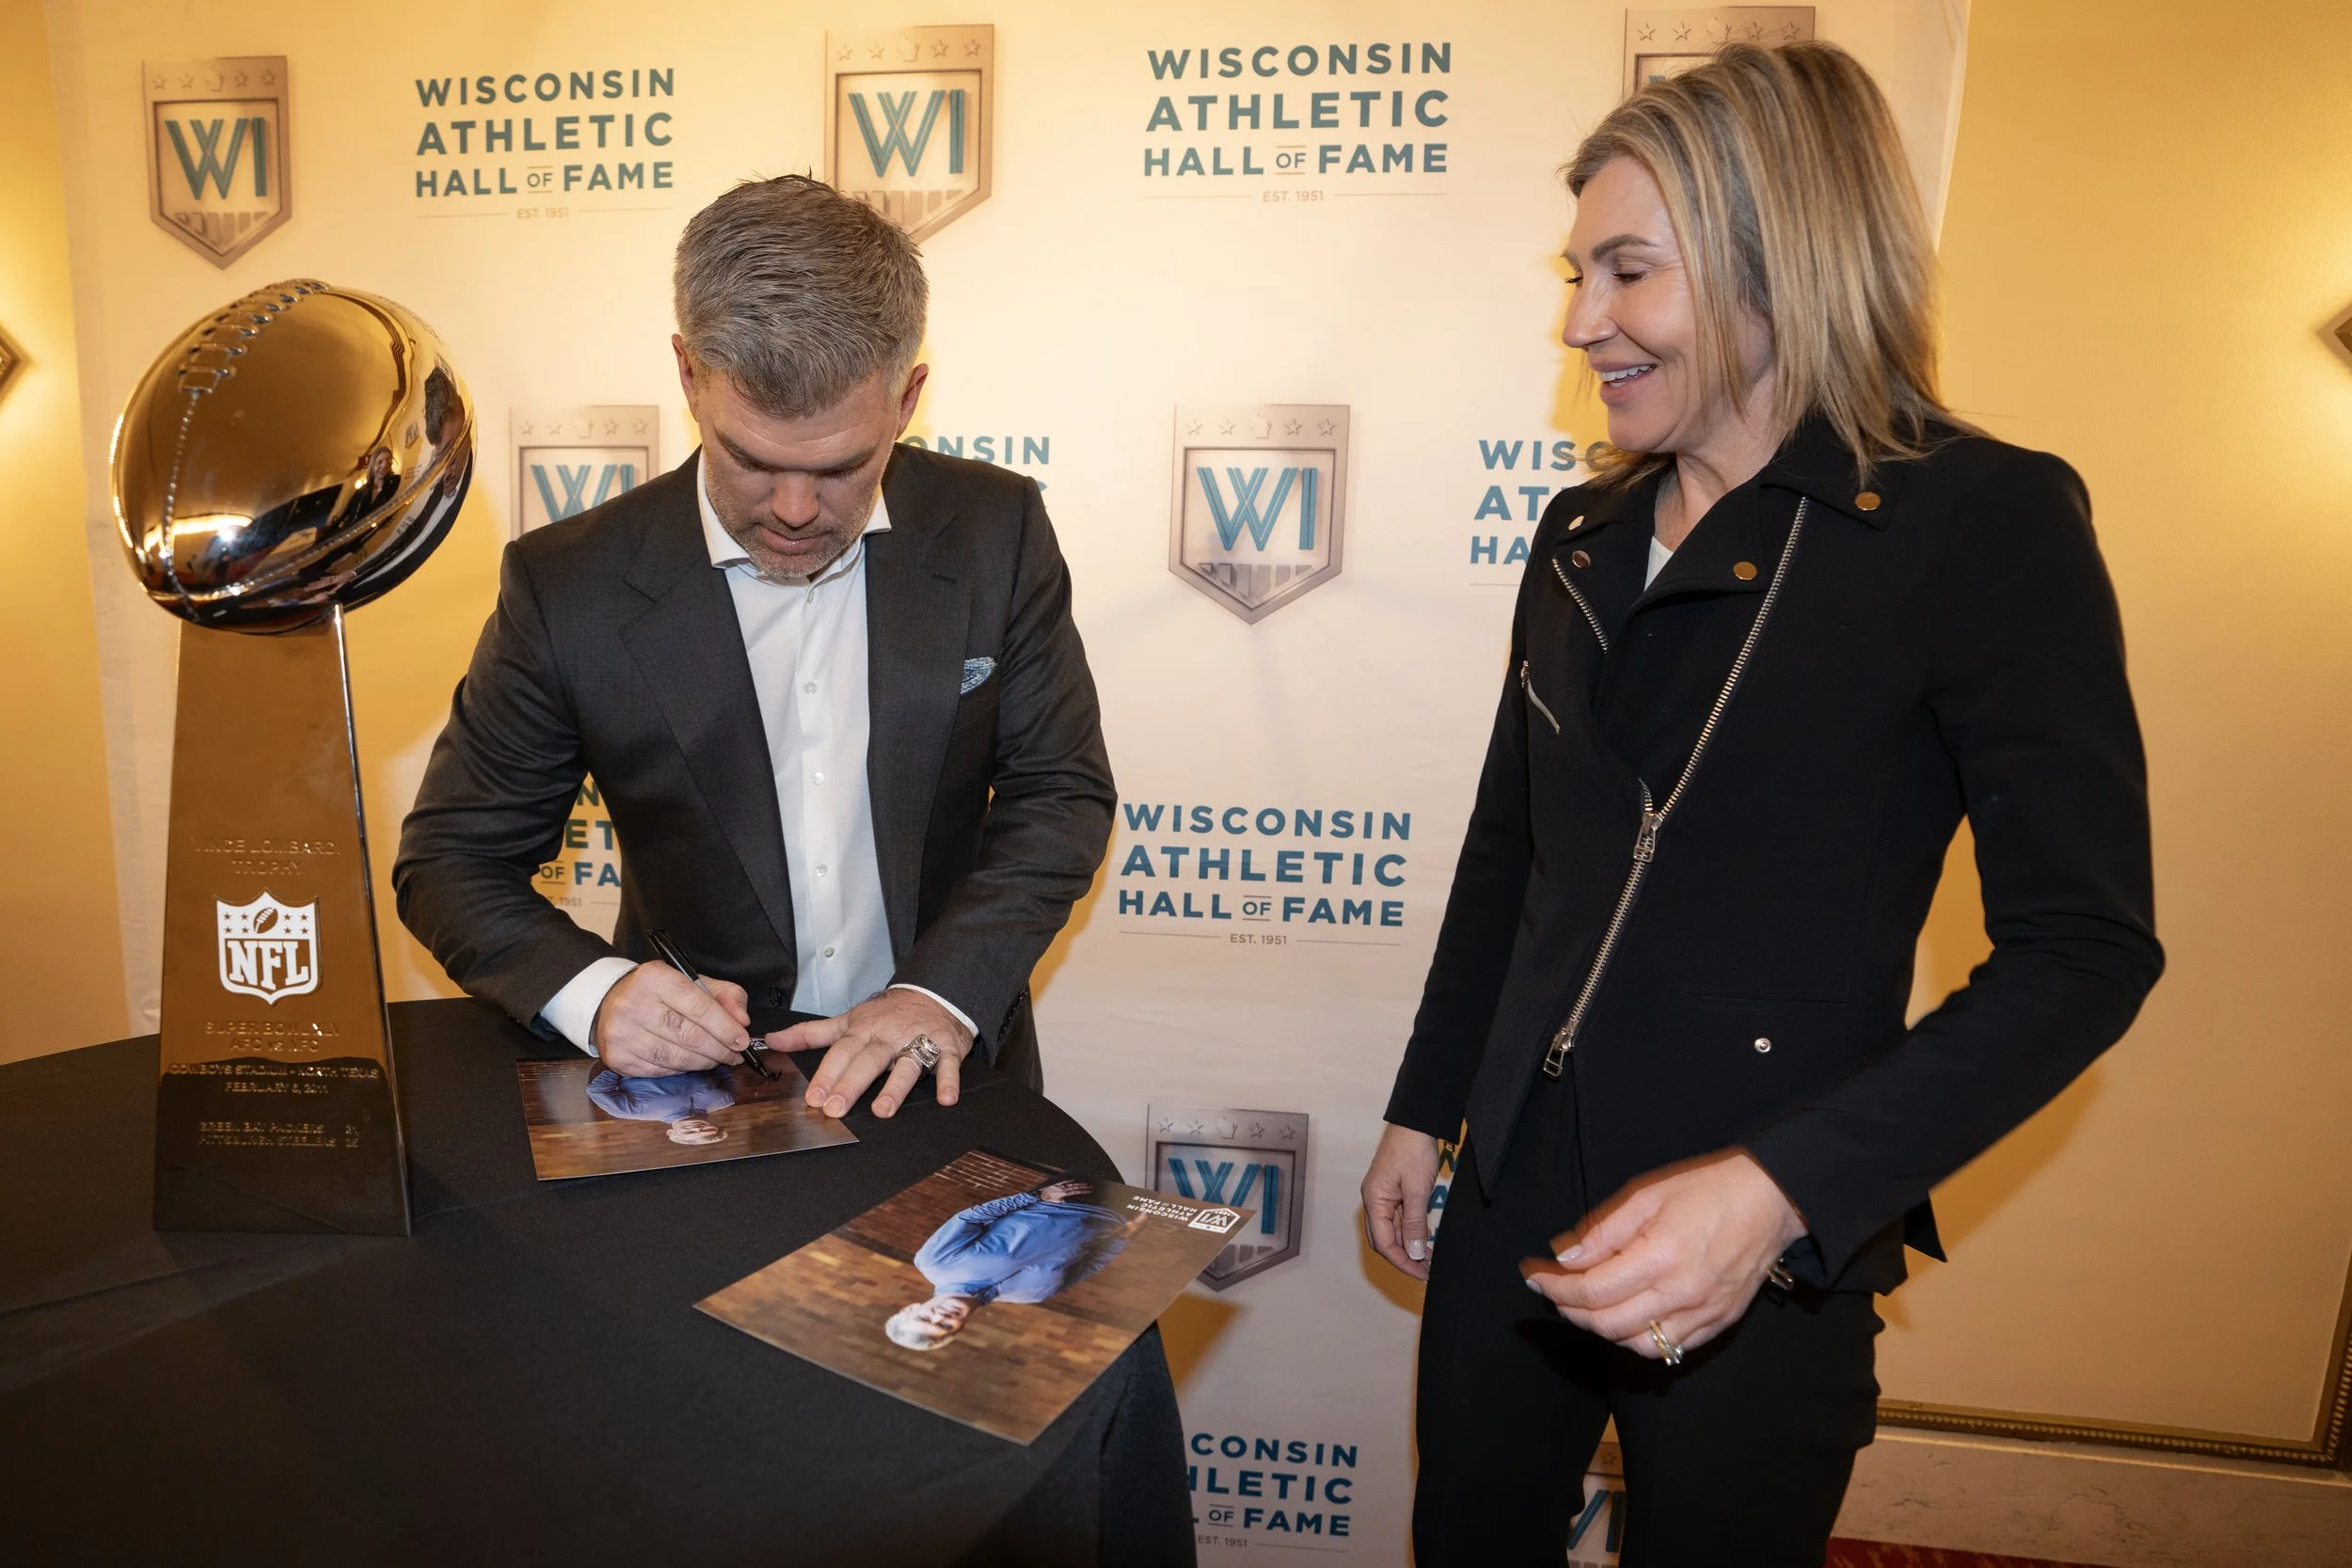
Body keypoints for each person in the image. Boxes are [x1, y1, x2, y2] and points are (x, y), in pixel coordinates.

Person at [1359, 42, 2162, 1566]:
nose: (1580, 321)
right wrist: (1429, 1099)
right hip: (1513, 1188)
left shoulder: (1979, 522)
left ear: (1770, 259)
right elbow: (1510, 847)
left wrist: (1782, 1191)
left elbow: (2086, 951)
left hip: (1768, 1230)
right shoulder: (1582, 530)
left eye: (1627, 272)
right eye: (1577, 272)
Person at [394, 176, 1115, 1117]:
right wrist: (600, 992)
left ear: (908, 396)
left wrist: (937, 992)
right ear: (690, 374)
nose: (792, 511)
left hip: (940, 1068)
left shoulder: (996, 529)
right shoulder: (570, 584)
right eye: (751, 458)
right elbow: (452, 859)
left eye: (841, 466)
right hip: (695, 1096)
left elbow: (1058, 794)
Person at [885, 1178, 1144, 1351]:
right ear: (958, 1329)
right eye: (943, 1327)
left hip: (1073, 1192)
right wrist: (1126, 1237)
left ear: (910, 1308)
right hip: (1122, 1214)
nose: (941, 1317)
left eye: (925, 1317)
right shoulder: (1031, 1297)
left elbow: (971, 1217)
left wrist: (1036, 1195)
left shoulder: (932, 1263)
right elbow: (1089, 1266)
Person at [584, 1065, 735, 1146]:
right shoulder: (725, 1100)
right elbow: (724, 1073)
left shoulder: (630, 1111)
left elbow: (597, 1091)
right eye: (706, 1130)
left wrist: (623, 1065)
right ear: (716, 1125)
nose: (696, 1128)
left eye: (690, 1133)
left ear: (671, 1133)